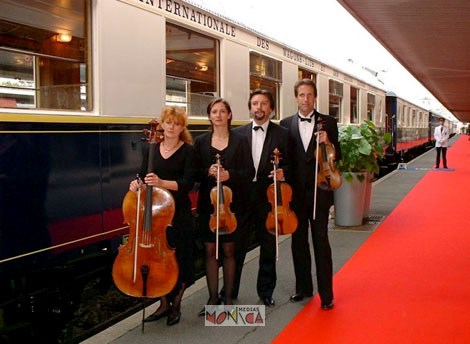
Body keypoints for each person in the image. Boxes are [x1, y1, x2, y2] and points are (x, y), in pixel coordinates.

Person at [129, 106, 195, 326]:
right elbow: (142, 175)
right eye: (168, 122)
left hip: (178, 214)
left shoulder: (188, 151)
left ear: (182, 127)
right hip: (157, 215)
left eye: (177, 124)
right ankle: (163, 303)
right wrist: (136, 184)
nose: (171, 127)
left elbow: (187, 184)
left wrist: (162, 183)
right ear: (163, 124)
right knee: (158, 260)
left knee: (179, 259)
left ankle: (176, 305)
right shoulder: (151, 149)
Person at [280, 79, 341, 310]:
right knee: (298, 242)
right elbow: (285, 160)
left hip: (320, 190)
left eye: (309, 95)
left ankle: (327, 294)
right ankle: (303, 288)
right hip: (295, 194)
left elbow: (338, 156)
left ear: (315, 98)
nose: (305, 99)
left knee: (321, 241)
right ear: (296, 97)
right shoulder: (285, 125)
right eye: (301, 95)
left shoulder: (329, 123)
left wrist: (330, 142)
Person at [194, 98, 254, 315]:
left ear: (229, 115)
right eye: (214, 111)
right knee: (210, 250)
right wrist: (206, 172)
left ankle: (227, 298)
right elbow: (193, 174)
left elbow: (250, 172)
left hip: (231, 205)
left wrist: (230, 175)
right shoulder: (200, 142)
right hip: (208, 206)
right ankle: (212, 298)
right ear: (209, 116)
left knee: (229, 250)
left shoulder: (241, 140)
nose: (218, 115)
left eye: (222, 111)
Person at [231, 89, 288, 307]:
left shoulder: (282, 134)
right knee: (236, 246)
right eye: (255, 103)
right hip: (242, 197)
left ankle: (265, 291)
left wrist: (284, 173)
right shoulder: (238, 134)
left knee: (268, 245)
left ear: (271, 109)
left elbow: (289, 164)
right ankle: (230, 291)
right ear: (250, 107)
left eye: (264, 103)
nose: (259, 108)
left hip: (268, 196)